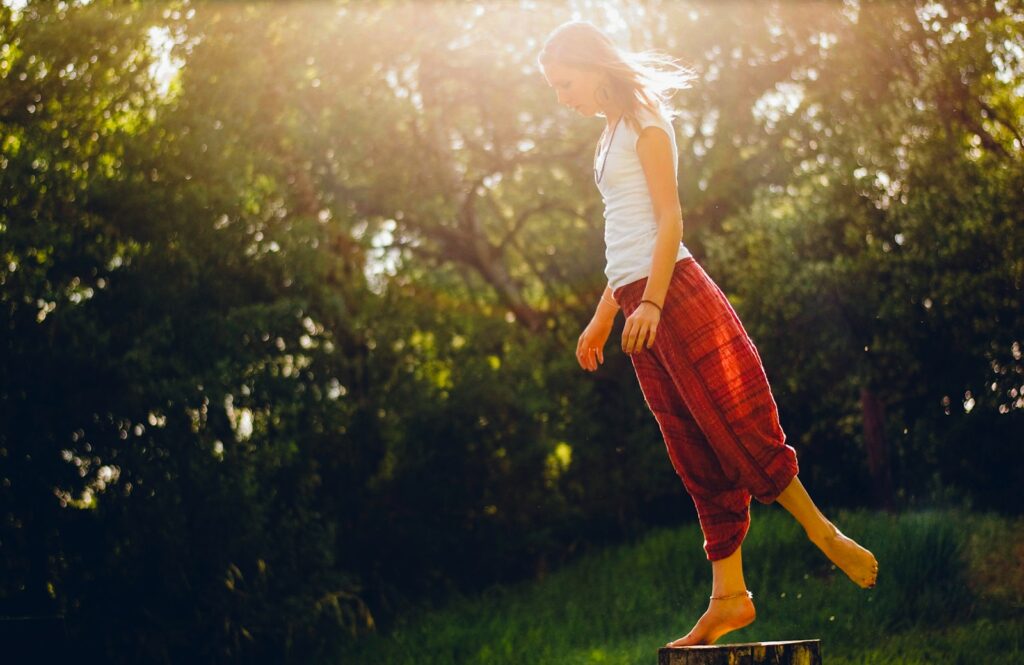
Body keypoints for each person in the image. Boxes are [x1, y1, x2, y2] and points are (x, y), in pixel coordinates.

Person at [537, 21, 878, 647]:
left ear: (591, 65)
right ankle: (729, 597)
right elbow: (625, 236)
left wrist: (655, 305)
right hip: (638, 299)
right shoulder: (607, 134)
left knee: (734, 421)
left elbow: (670, 219)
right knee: (692, 447)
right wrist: (605, 314)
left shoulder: (643, 120)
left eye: (565, 83)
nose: (563, 97)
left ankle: (821, 531)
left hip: (674, 294)